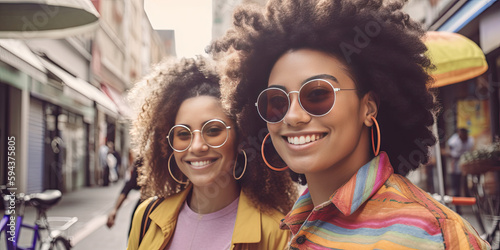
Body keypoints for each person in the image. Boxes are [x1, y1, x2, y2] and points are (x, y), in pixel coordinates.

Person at [210, 0, 490, 249]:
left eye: (317, 94)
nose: (292, 116)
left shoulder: (432, 235)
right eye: (276, 101)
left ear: (368, 107)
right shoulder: (296, 221)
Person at [126, 56, 297, 249]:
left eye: (213, 130)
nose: (197, 146)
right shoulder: (146, 218)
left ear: (241, 137)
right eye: (183, 133)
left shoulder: (277, 233)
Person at [106, 155, 142, 237]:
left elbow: (128, 186)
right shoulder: (144, 158)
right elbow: (129, 186)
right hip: (144, 206)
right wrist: (115, 209)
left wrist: (115, 210)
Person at [447, 128, 474, 196]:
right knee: (456, 182)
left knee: (467, 181)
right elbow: (448, 151)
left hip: (467, 161)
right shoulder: (453, 140)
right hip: (456, 161)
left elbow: (472, 150)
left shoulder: (470, 140)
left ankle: (468, 196)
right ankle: (456, 199)